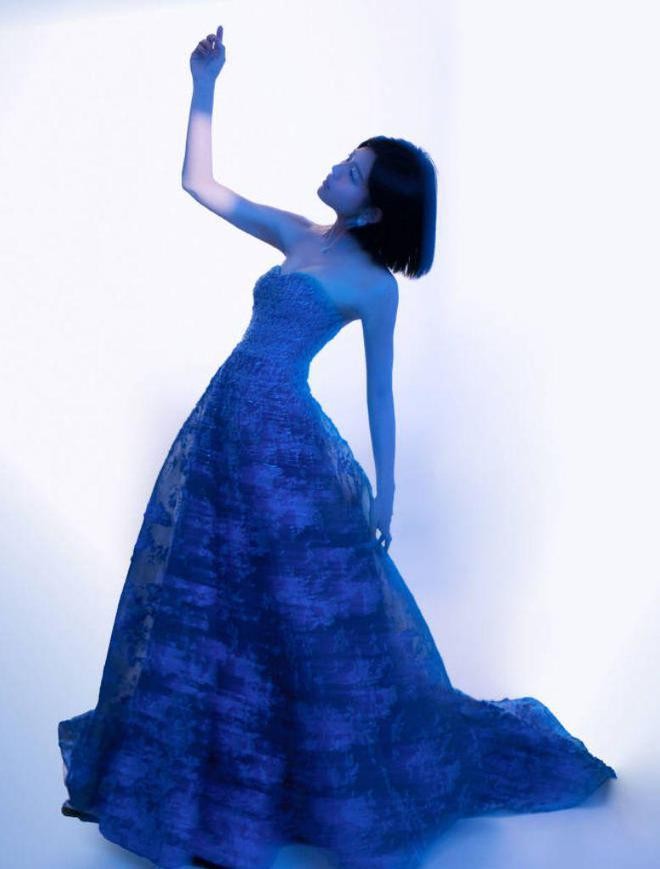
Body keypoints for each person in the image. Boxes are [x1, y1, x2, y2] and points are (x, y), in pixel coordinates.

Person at [57, 25, 617, 869]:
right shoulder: (297, 233)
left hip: (282, 448)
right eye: (345, 161)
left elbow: (380, 393)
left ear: (374, 208)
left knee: (291, 612)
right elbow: (199, 184)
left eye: (351, 172)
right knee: (213, 599)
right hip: (223, 429)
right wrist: (204, 85)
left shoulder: (372, 287)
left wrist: (387, 491)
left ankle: (278, 788)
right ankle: (210, 781)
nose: (334, 171)